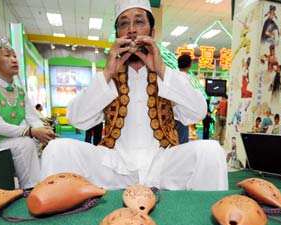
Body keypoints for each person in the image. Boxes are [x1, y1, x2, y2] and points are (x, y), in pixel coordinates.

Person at [41, 0, 228, 191]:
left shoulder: (170, 76)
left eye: (139, 22)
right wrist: (107, 74)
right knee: (57, 149)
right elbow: (77, 119)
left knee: (212, 151)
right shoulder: (107, 77)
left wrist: (161, 70)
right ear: (117, 35)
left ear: (152, 33)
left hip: (163, 165)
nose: (131, 30)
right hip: (115, 166)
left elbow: (197, 113)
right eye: (124, 24)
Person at [0, 37, 57, 190]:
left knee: (53, 144)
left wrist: (43, 130)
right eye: (7, 56)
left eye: (14, 56)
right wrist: (31, 131)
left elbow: (32, 117)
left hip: (21, 138)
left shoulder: (19, 91)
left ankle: (49, 183)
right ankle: (32, 189)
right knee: (25, 144)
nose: (14, 60)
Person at [175, 54, 192, 144]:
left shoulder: (173, 77)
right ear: (190, 65)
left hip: (172, 116)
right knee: (182, 145)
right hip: (182, 117)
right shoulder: (186, 80)